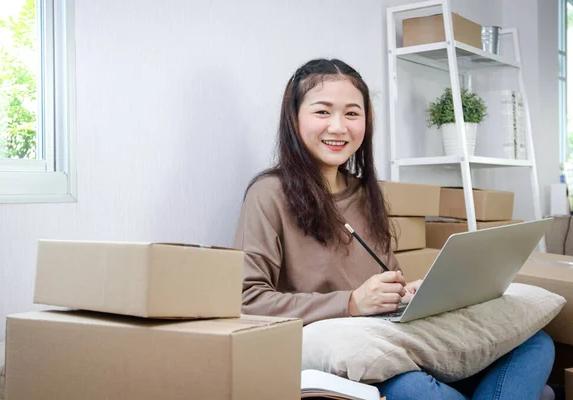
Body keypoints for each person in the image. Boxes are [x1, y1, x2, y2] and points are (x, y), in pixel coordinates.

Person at [233, 58, 554, 399]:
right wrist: (351, 302)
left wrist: (409, 293)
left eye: (352, 113)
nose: (339, 127)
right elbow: (247, 300)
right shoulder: (268, 193)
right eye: (323, 112)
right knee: (419, 390)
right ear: (294, 118)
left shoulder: (367, 192)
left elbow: (387, 278)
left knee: (535, 343)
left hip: (390, 337)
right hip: (346, 357)